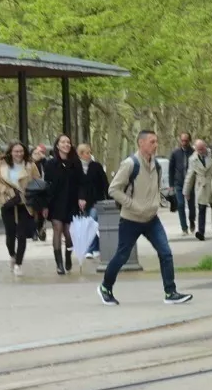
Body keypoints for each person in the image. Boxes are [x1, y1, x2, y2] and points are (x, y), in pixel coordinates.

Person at [98, 130, 192, 306]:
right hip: (131, 220)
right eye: (152, 142)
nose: (155, 145)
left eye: (156, 141)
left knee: (166, 253)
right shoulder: (130, 164)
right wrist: (133, 205)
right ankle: (105, 287)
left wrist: (165, 200)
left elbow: (155, 190)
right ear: (141, 143)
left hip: (151, 220)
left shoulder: (156, 165)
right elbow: (113, 190)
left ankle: (170, 292)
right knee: (122, 256)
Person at [0, 142, 41, 277]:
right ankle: (12, 254)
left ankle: (18, 264)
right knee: (10, 234)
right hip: (8, 202)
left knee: (22, 235)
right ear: (10, 152)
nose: (19, 154)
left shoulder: (30, 165)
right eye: (16, 151)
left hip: (24, 203)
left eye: (21, 151)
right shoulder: (1, 164)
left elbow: (38, 182)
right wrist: (4, 189)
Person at [43, 135, 83, 275]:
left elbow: (81, 183)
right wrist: (45, 206)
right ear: (57, 145)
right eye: (63, 142)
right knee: (57, 230)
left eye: (68, 142)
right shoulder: (50, 164)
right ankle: (59, 264)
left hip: (71, 202)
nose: (66, 144)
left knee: (69, 233)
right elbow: (46, 185)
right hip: (55, 202)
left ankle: (67, 256)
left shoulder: (75, 163)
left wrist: (81, 198)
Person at [77, 144, 109, 258]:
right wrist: (80, 198)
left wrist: (109, 198)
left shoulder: (96, 166)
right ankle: (96, 248)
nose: (89, 155)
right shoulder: (76, 167)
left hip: (96, 200)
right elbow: (77, 185)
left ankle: (90, 249)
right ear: (80, 154)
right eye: (87, 153)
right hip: (82, 203)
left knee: (92, 221)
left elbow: (104, 182)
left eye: (90, 152)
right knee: (88, 225)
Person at [184, 139, 212, 241]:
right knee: (201, 209)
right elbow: (190, 175)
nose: (201, 151)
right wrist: (186, 191)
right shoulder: (192, 159)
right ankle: (201, 232)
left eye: (202, 148)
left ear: (205, 146)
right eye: (198, 149)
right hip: (201, 185)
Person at [169, 132, 194, 235]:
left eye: (186, 141)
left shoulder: (193, 152)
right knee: (180, 204)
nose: (184, 143)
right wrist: (171, 185)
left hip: (191, 183)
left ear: (189, 141)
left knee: (191, 205)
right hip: (178, 183)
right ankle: (184, 228)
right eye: (182, 140)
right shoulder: (175, 153)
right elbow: (171, 169)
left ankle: (192, 220)